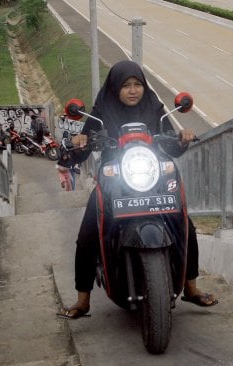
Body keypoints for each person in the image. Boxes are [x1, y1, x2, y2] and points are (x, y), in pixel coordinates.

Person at [58, 60, 218, 319]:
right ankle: (83, 300)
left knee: (185, 224)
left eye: (137, 85)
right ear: (114, 89)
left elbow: (172, 146)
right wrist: (80, 141)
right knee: (88, 232)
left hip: (151, 176)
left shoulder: (155, 109)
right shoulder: (100, 112)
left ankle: (190, 287)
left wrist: (182, 138)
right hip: (115, 179)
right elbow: (80, 151)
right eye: (126, 86)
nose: (133, 90)